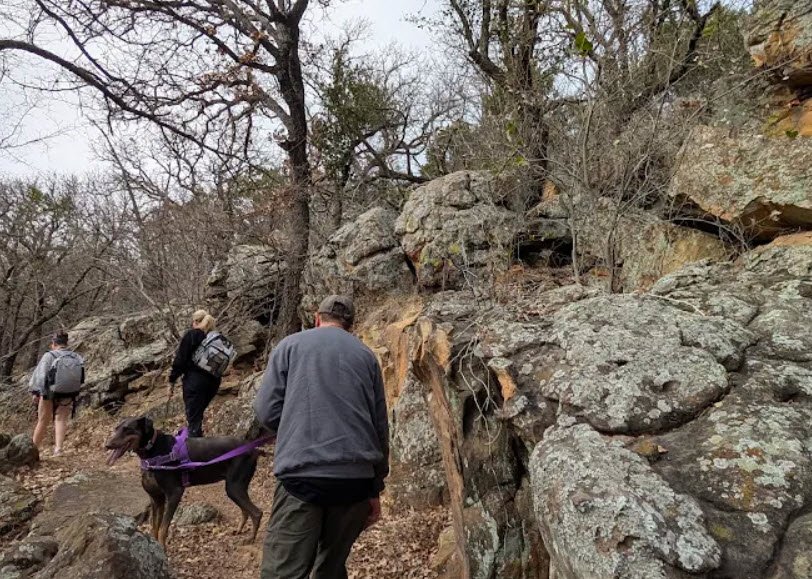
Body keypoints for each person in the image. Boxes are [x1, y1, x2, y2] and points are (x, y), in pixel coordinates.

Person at [254, 295, 389, 579]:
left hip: (301, 478)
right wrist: (375, 488)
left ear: (317, 318)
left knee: (283, 572)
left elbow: (266, 411)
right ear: (350, 325)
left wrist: (294, 430)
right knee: (330, 570)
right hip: (355, 482)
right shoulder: (366, 356)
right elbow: (379, 428)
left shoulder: (289, 346)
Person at [29, 331, 83, 456]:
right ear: (66, 343)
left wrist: (36, 392)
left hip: (49, 391)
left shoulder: (49, 355)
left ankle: (32, 450)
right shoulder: (75, 356)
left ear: (53, 343)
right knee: (61, 419)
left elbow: (40, 375)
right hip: (68, 391)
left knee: (43, 420)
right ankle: (58, 449)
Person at [169, 309, 220, 437]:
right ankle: (199, 440)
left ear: (195, 322)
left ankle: (195, 446)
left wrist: (172, 380)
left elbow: (180, 360)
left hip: (195, 383)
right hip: (213, 382)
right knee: (197, 417)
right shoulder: (214, 337)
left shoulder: (192, 335)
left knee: (194, 421)